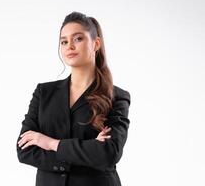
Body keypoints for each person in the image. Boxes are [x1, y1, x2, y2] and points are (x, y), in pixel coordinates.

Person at [16, 11, 131, 186]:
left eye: (78, 39)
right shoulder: (43, 93)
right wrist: (88, 151)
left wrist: (51, 143)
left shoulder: (116, 97)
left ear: (96, 43)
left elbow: (108, 153)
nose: (69, 46)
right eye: (64, 41)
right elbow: (24, 150)